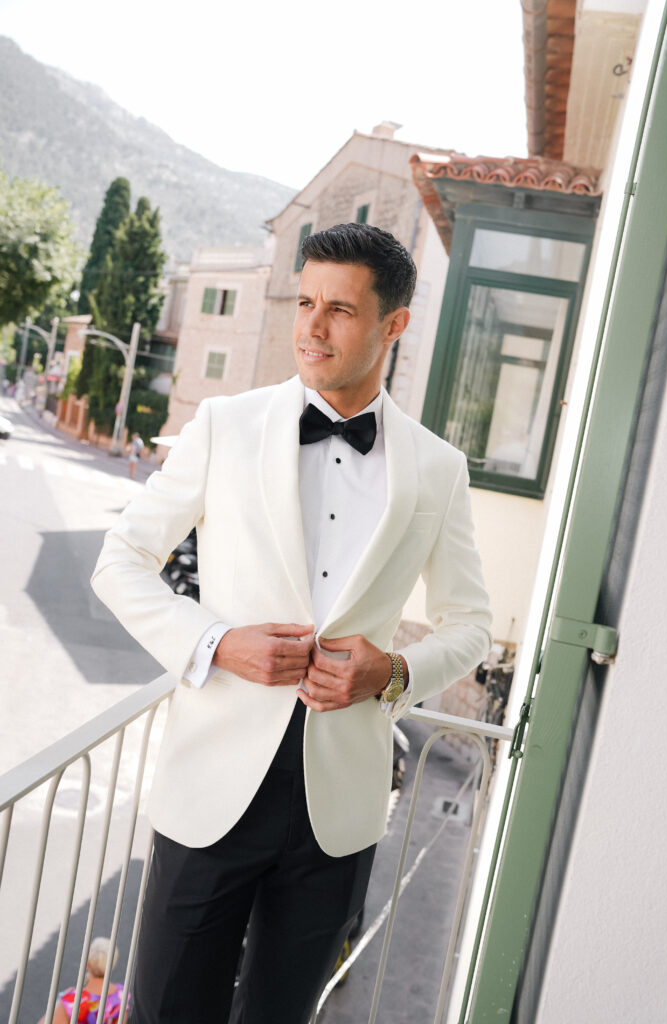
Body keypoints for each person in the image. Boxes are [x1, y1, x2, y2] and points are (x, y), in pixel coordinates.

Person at [91, 222, 492, 1024]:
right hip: (212, 791)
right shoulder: (225, 425)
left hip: (336, 812)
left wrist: (396, 672)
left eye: (339, 310)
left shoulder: (438, 470)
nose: (311, 326)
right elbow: (120, 561)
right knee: (167, 1010)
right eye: (305, 302)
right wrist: (215, 643)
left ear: (393, 325)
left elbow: (471, 625)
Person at [36, 937, 129, 1024]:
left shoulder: (72, 1000)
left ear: (88, 964)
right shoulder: (120, 995)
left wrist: (59, 1002)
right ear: (112, 965)